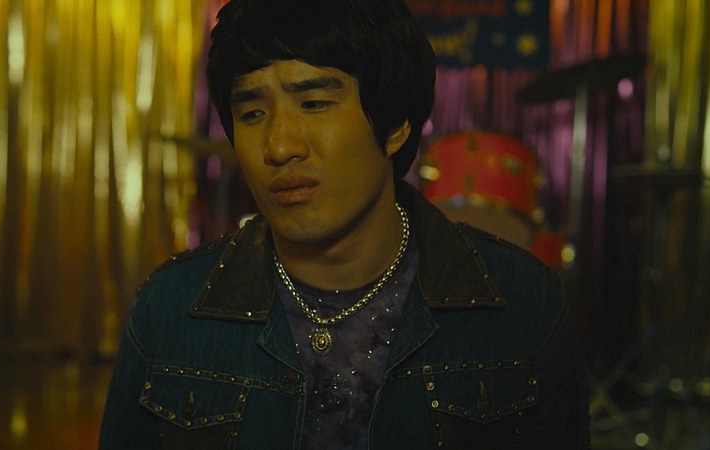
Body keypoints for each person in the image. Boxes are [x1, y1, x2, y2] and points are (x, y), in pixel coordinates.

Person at [99, 0, 590, 448]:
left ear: (395, 126)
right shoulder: (172, 309)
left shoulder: (521, 305)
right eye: (252, 113)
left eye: (313, 104)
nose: (279, 145)